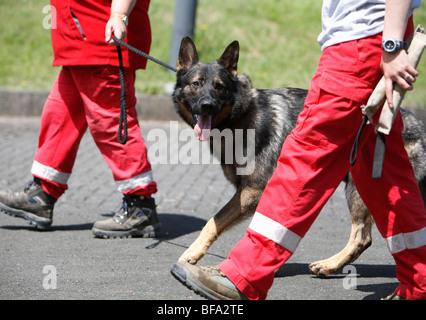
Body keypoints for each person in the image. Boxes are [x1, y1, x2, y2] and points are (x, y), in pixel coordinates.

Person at [172, 0, 426, 300]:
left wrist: (392, 43)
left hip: (360, 46)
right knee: (384, 170)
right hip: (367, 42)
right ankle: (419, 281)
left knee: (305, 157)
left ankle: (244, 274)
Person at [0, 0, 161, 238]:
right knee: (60, 115)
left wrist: (119, 14)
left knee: (111, 125)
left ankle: (140, 206)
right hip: (80, 42)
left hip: (101, 42)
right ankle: (42, 193)